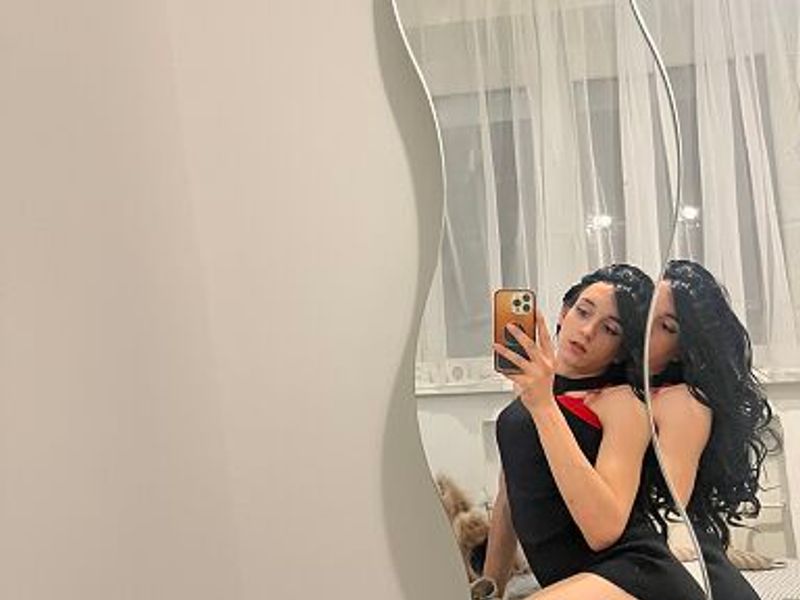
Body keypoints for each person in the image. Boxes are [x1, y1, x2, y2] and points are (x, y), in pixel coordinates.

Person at [483, 264, 706, 600]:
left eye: (610, 329)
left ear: (621, 350)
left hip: (633, 575)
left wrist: (543, 406)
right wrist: (489, 587)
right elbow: (509, 496)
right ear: (563, 314)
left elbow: (604, 531)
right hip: (576, 582)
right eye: (583, 312)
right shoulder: (535, 392)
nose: (587, 331)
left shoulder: (623, 404)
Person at [646, 259, 779, 600]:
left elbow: (671, 509)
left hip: (689, 573)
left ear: (684, 348)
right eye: (645, 317)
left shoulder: (683, 401)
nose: (647, 334)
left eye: (667, 326)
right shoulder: (630, 390)